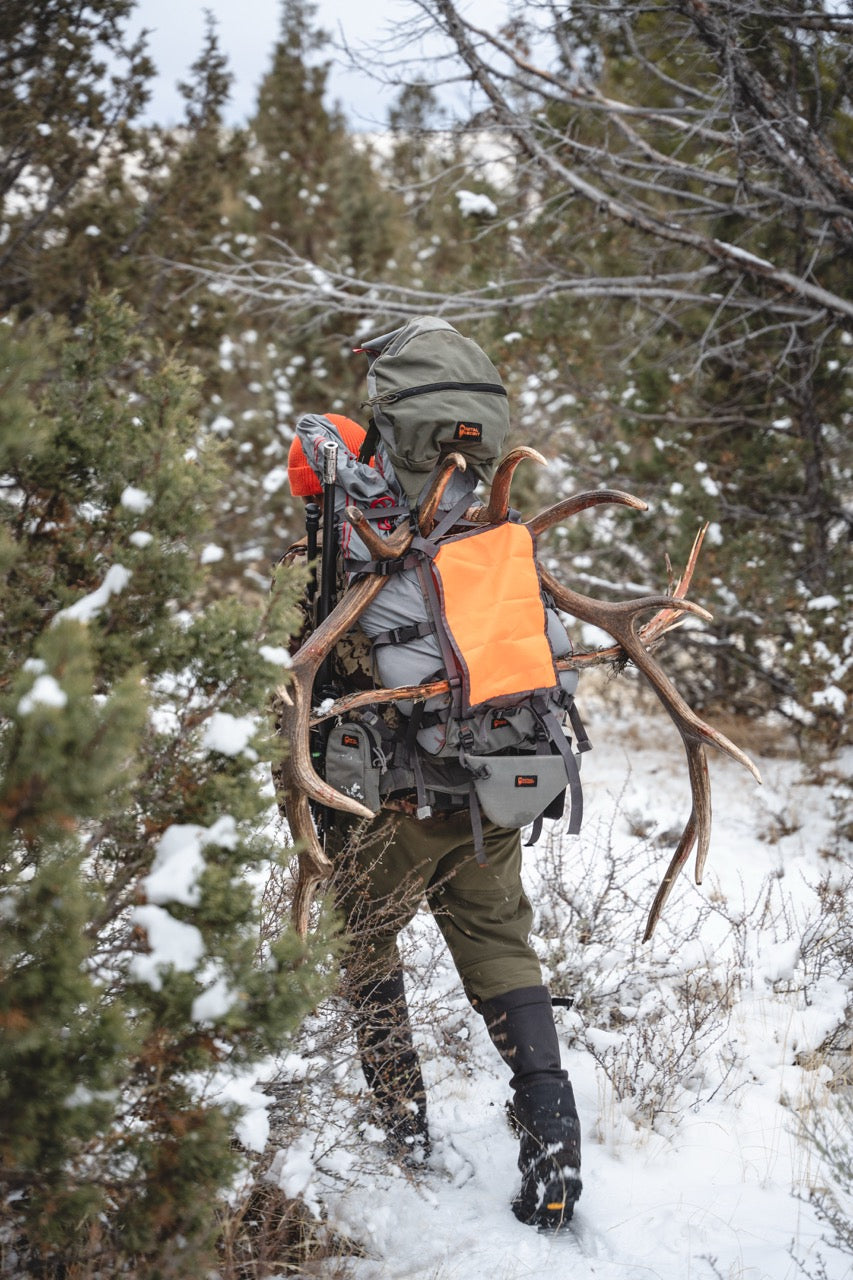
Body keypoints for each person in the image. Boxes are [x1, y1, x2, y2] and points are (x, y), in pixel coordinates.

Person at [283, 409, 583, 1231]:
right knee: (500, 949)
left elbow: (295, 690)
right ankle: (554, 1143)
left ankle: (404, 1134)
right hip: (494, 789)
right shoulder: (484, 539)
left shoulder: (339, 564)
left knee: (367, 944)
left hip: (390, 813)